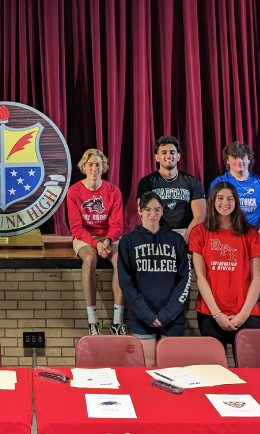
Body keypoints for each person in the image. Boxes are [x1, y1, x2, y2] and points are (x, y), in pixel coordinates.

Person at [189, 182, 260, 351]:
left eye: (230, 199)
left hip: (246, 313)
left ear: (236, 202)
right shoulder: (199, 232)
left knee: (249, 368)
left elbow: (257, 279)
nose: (225, 203)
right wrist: (217, 314)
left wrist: (243, 315)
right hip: (210, 312)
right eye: (220, 198)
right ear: (212, 201)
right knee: (214, 370)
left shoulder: (251, 235)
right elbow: (200, 277)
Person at [117, 192, 191, 366]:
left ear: (162, 211)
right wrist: (146, 314)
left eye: (157, 210)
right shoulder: (128, 242)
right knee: (147, 366)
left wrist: (167, 314)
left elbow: (185, 280)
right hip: (142, 316)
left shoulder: (176, 240)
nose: (153, 214)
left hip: (172, 317)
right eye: (148, 210)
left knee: (171, 368)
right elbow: (126, 283)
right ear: (140, 211)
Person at [66, 149, 125, 335]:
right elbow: (76, 228)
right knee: (90, 260)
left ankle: (117, 321)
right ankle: (93, 321)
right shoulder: (74, 191)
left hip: (108, 236)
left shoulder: (113, 191)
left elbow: (117, 226)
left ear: (104, 167)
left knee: (120, 261)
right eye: (90, 164)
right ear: (84, 167)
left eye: (98, 164)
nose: (94, 168)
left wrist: (107, 240)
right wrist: (95, 243)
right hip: (85, 236)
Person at [136, 136, 206, 241]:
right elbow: (145, 212)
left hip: (186, 232)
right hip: (157, 232)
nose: (168, 156)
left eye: (172, 152)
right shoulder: (147, 182)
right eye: (164, 153)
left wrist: (185, 239)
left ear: (178, 156)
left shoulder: (192, 181)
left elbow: (200, 215)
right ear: (157, 157)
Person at [209, 141, 260, 239]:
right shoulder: (218, 183)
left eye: (242, 157)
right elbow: (212, 213)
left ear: (249, 159)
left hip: (257, 235)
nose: (239, 162)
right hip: (228, 235)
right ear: (228, 160)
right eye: (234, 158)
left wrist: (258, 237)